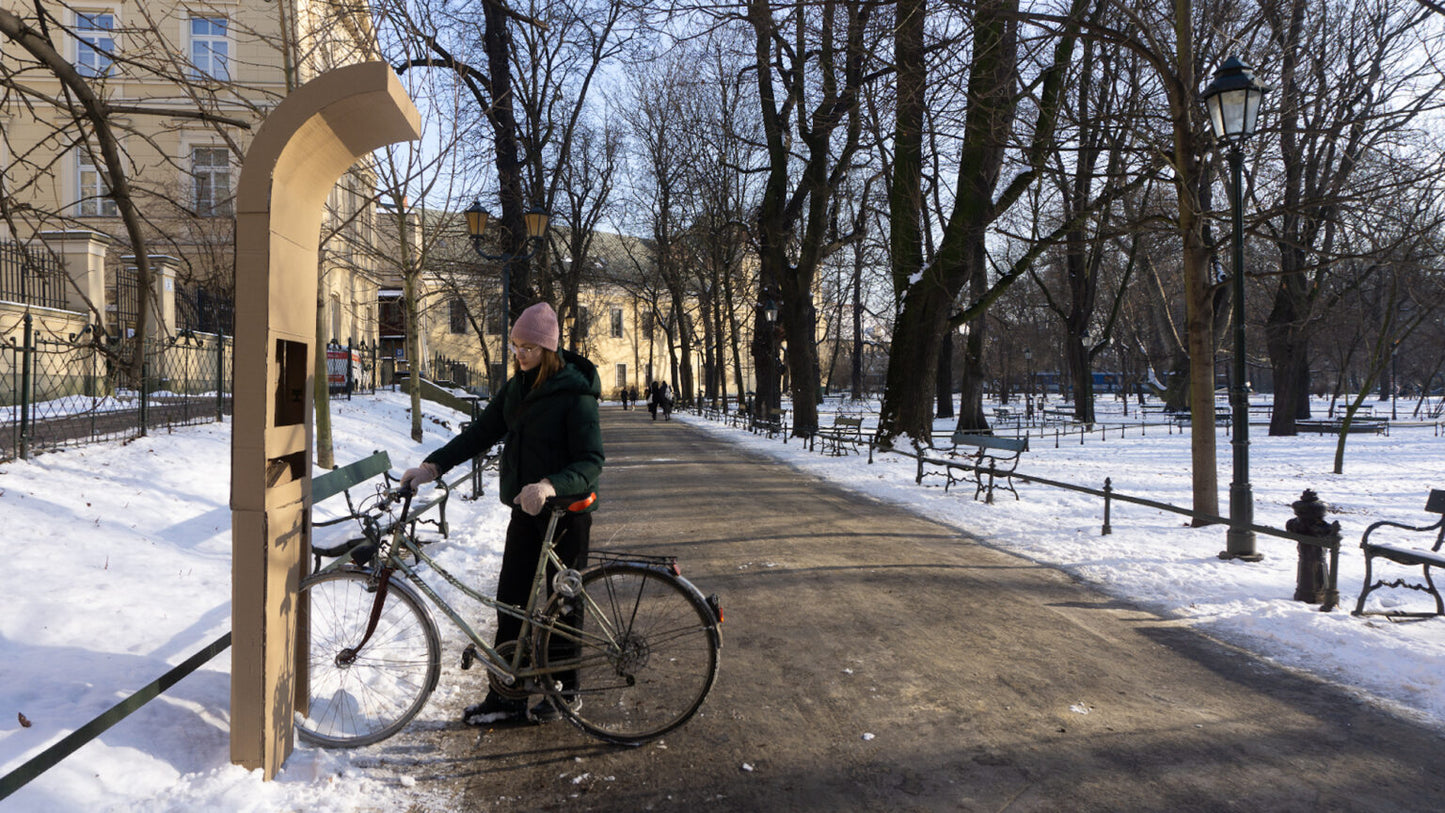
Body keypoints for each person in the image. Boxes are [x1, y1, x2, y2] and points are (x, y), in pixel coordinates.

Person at [399, 302, 604, 726]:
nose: (520, 354)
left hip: (566, 514)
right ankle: (506, 695)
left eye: (529, 347)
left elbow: (590, 462)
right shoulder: (518, 388)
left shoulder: (576, 394)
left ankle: (564, 690)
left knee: (561, 604)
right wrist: (433, 466)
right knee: (510, 601)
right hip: (526, 513)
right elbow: (481, 432)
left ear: (547, 348)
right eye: (515, 346)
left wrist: (550, 485)